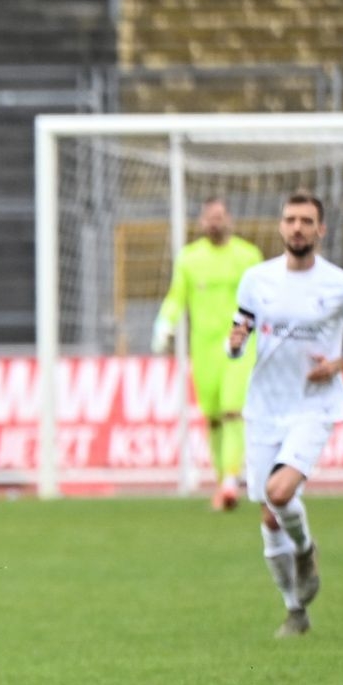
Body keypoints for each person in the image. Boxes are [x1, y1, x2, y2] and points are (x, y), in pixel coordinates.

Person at [227, 190, 343, 638]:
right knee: (270, 514)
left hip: (315, 405)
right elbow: (240, 330)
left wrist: (337, 365)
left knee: (279, 489)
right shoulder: (257, 279)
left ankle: (306, 548)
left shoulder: (341, 285)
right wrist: (232, 345)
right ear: (281, 226)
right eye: (290, 219)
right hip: (264, 407)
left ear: (320, 229)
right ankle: (295, 608)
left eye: (306, 221)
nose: (297, 227)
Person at [153, 197, 263, 510]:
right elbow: (177, 297)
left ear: (230, 220)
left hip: (240, 346)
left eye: (220, 216)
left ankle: (231, 479)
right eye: (209, 217)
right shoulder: (189, 258)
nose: (215, 222)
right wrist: (165, 323)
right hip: (203, 349)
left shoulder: (248, 255)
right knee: (213, 417)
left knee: (233, 409)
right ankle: (223, 484)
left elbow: (261, 300)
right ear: (202, 222)